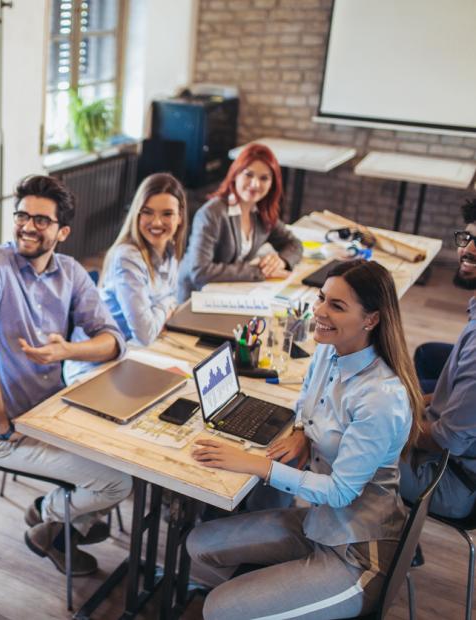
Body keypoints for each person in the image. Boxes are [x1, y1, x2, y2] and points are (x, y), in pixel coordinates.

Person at [185, 259, 422, 619]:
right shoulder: (330, 349)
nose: (320, 311)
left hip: (356, 551)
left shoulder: (380, 398)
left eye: (337, 306)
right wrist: (300, 431)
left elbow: (340, 492)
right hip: (318, 523)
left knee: (218, 608)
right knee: (198, 544)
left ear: (371, 319)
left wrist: (259, 466)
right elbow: (306, 398)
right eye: (322, 298)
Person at [0, 174, 132, 576]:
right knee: (119, 484)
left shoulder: (70, 272)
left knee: (131, 461)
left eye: (41, 220)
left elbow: (112, 340)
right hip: (4, 428)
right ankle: (49, 514)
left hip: (54, 413)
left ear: (63, 231)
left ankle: (59, 524)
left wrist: (67, 350)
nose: (27, 226)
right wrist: (1, 423)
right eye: (22, 215)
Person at [63, 172, 187, 383]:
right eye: (147, 212)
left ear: (180, 217)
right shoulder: (127, 258)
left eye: (167, 214)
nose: (157, 222)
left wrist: (162, 309)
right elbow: (146, 333)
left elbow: (168, 307)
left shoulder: (170, 250)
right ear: (137, 214)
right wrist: (166, 306)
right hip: (94, 368)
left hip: (134, 356)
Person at [400, 198, 476, 519]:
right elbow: (448, 404)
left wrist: (391, 429)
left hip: (453, 480)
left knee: (339, 444)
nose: (468, 250)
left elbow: (448, 439)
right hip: (458, 460)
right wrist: (412, 402)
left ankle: (391, 546)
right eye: (468, 238)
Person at [177, 143, 303, 301]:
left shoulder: (261, 212)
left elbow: (294, 243)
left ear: (272, 184)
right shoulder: (212, 213)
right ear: (235, 174)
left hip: (230, 294)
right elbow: (200, 272)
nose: (255, 184)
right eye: (248, 174)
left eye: (264, 178)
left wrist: (281, 261)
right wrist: (258, 271)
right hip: (196, 298)